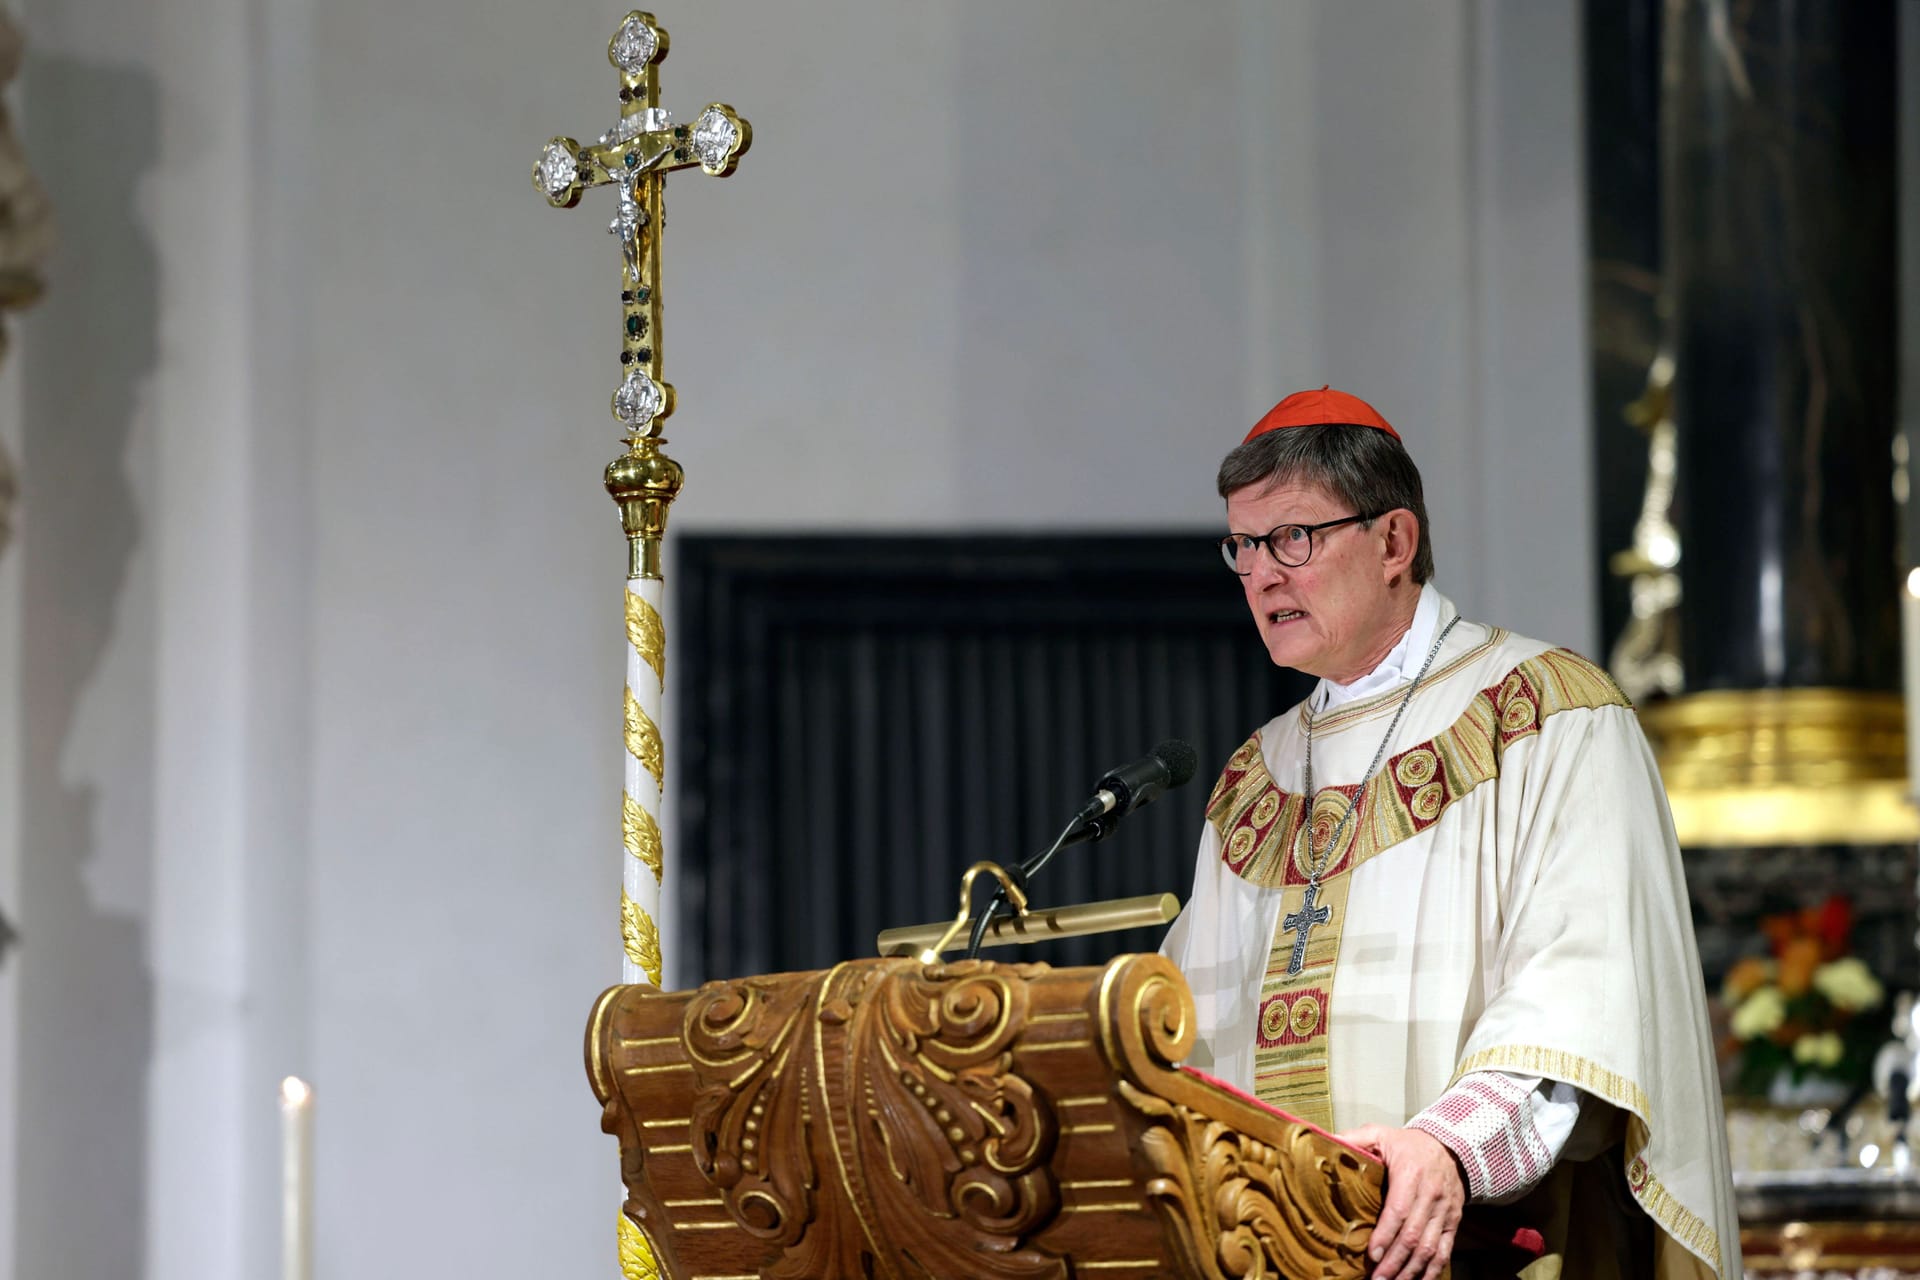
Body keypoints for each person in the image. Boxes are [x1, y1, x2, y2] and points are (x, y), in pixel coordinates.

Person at [1160, 388, 1739, 1280]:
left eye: (1293, 538)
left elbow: (1583, 1005)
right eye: (1243, 545)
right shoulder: (1256, 777)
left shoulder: (1548, 716)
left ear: (1394, 542)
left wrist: (1449, 1153)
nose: (1262, 574)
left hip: (1466, 1253)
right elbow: (1190, 1041)